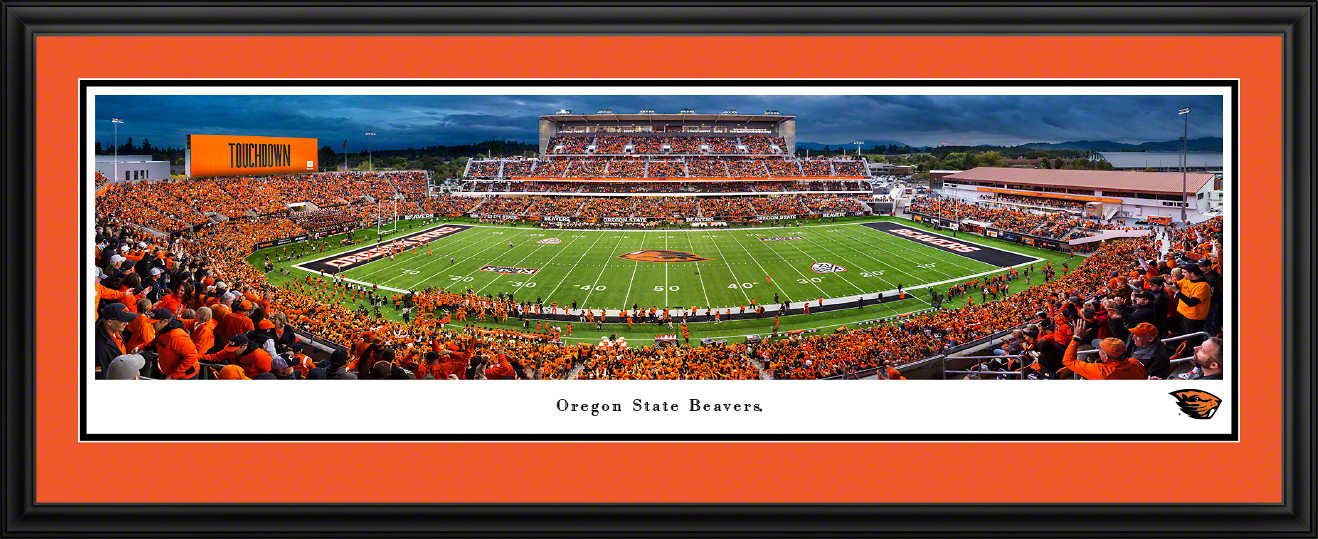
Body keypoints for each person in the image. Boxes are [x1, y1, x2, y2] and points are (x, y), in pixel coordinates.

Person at [1061, 319, 1147, 380]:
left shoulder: (1100, 371)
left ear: (1106, 357)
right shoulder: (1135, 363)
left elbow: (1068, 361)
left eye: (1100, 349)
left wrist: (1076, 338)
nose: (1098, 350)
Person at [95, 303, 138, 380]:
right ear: (109, 322)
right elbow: (102, 378)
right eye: (123, 321)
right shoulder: (99, 349)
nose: (127, 323)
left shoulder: (116, 330)